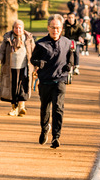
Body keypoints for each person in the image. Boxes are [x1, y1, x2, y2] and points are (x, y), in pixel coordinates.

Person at [30, 14, 77, 148]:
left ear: (61, 28)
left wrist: (70, 65)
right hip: (45, 80)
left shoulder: (67, 42)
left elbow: (71, 57)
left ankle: (56, 136)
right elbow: (32, 59)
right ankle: (45, 129)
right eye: (52, 27)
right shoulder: (40, 43)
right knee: (45, 108)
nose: (55, 30)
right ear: (48, 27)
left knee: (58, 108)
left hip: (60, 79)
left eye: (57, 28)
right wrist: (39, 62)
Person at [0, 19, 36, 116]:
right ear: (13, 28)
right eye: (16, 27)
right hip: (10, 68)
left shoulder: (28, 38)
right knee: (13, 88)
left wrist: (36, 65)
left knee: (23, 86)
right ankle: (14, 108)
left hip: (24, 67)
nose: (18, 29)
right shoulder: (8, 38)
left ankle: (22, 107)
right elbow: (1, 52)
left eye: (20, 27)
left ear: (23, 28)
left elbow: (34, 52)